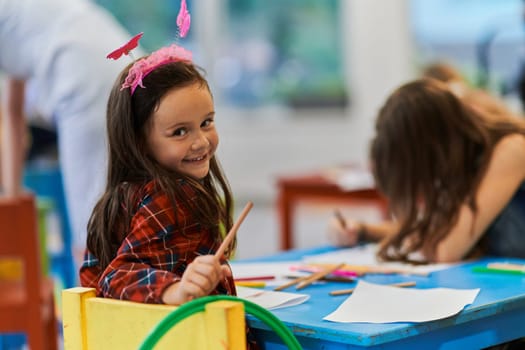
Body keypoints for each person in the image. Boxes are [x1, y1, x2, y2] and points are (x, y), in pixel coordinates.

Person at [78, 42, 239, 305]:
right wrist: (176, 291)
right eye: (180, 132)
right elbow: (115, 276)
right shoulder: (173, 196)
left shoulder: (117, 199)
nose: (201, 142)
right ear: (139, 142)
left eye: (206, 122)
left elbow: (92, 284)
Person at [0, 0, 143, 264]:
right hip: (120, 58)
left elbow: (12, 120)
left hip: (82, 72)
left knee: (91, 225)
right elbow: (13, 114)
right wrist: (12, 198)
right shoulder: (21, 18)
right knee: (132, 197)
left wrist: (11, 201)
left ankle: (98, 296)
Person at [329, 78, 525, 263]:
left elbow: (446, 249)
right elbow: (434, 231)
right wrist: (362, 231)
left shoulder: (511, 150)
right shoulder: (461, 167)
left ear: (432, 151)